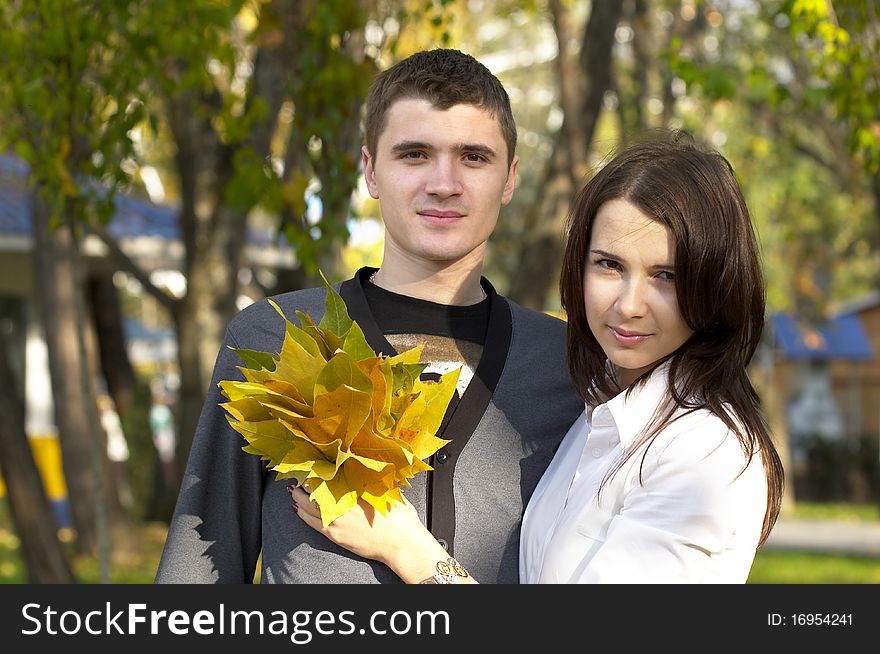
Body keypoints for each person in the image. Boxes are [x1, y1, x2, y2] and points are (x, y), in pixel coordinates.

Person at [155, 48, 585, 583]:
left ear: (510, 177)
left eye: (474, 157)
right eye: (414, 154)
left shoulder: (566, 363)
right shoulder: (278, 334)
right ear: (370, 171)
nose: (444, 183)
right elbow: (201, 561)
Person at [290, 131, 785, 584]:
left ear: (715, 284)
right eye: (609, 265)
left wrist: (410, 550)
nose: (629, 305)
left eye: (667, 276)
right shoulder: (596, 417)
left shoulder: (703, 453)